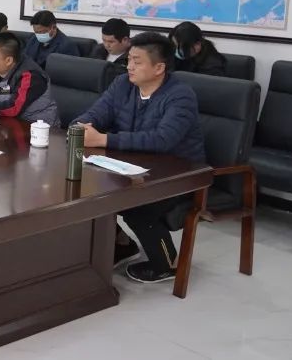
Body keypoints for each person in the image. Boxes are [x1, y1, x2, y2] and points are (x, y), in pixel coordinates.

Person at [73, 32, 205, 284]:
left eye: (137, 61)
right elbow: (96, 113)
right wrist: (81, 127)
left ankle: (168, 263)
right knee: (86, 192)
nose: (129, 66)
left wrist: (104, 140)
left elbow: (162, 139)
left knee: (138, 207)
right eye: (129, 60)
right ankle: (122, 245)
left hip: (177, 174)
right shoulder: (123, 84)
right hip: (132, 166)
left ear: (159, 68)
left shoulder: (180, 95)